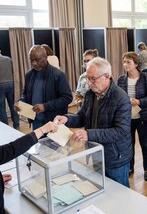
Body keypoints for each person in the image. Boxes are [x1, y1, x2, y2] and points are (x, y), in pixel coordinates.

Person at [54, 57, 133, 187]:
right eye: (87, 78)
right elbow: (82, 117)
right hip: (96, 152)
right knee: (101, 190)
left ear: (107, 76)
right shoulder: (90, 94)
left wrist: (88, 134)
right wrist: (67, 119)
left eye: (93, 79)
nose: (89, 83)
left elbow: (121, 131)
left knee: (120, 195)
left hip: (115, 158)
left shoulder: (121, 98)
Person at [117, 52, 147, 181]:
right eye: (124, 62)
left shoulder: (146, 78)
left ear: (136, 63)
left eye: (128, 62)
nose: (125, 64)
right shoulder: (121, 79)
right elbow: (118, 97)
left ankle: (146, 169)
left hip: (143, 117)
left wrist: (139, 101)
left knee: (144, 143)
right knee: (129, 144)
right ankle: (130, 167)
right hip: (127, 118)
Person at [15, 45, 72, 130]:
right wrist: (21, 102)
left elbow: (67, 98)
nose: (34, 63)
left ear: (46, 57)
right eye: (31, 60)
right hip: (36, 121)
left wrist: (45, 106)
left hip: (54, 122)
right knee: (38, 143)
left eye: (37, 60)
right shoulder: (29, 75)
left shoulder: (58, 75)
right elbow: (26, 93)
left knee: (55, 144)